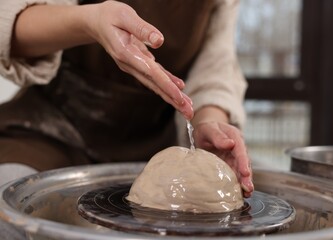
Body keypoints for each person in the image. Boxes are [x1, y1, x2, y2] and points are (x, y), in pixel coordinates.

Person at [0, 0, 253, 193]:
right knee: (11, 199)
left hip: (152, 146)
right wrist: (89, 21)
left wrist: (209, 122)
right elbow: (11, 20)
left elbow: (214, 69)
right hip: (50, 129)